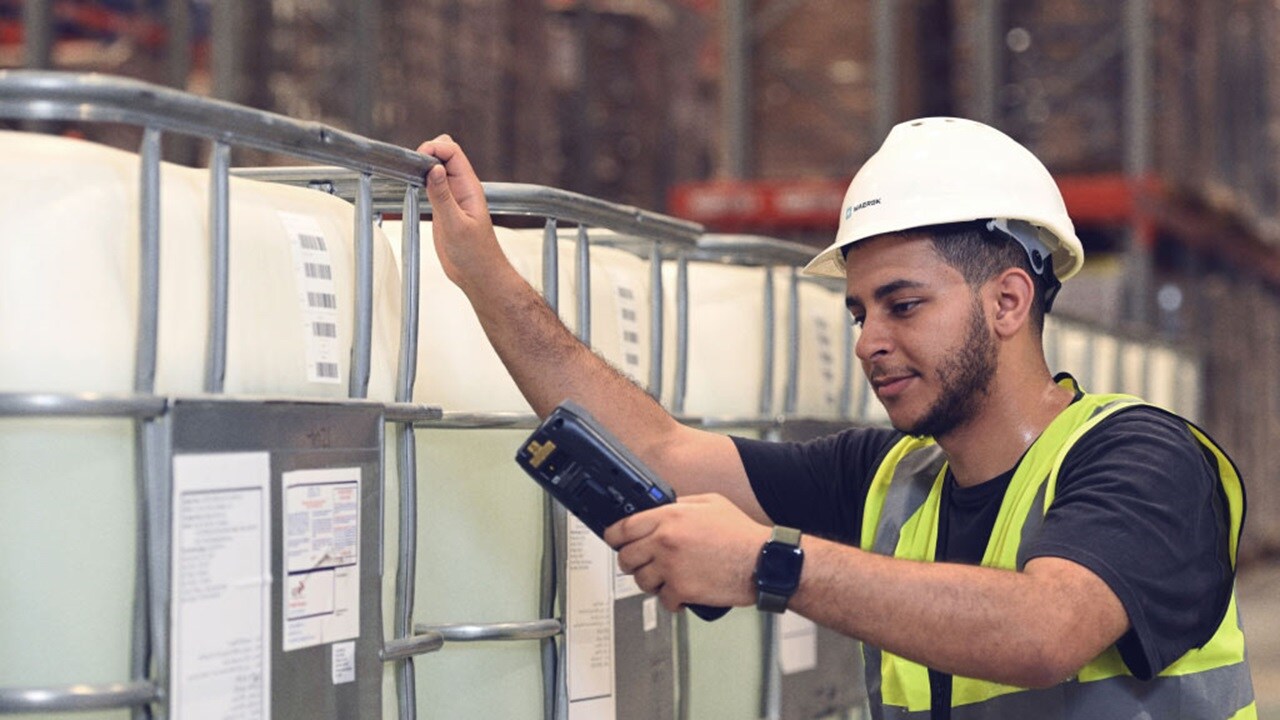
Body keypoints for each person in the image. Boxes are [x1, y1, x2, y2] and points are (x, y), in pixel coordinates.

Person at [417, 117, 1254, 719]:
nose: (871, 342)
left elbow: (1045, 629)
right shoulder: (891, 480)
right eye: (861, 314)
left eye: (903, 304)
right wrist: (486, 277)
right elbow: (661, 451)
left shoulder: (1144, 458)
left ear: (1008, 300)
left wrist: (773, 565)